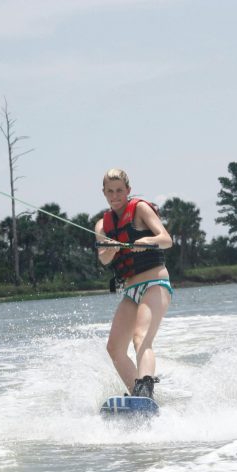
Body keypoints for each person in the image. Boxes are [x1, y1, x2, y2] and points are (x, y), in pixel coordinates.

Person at [95, 168, 173, 399]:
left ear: (128, 190)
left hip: (155, 283)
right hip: (131, 291)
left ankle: (146, 387)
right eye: (110, 191)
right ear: (104, 193)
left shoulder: (140, 209)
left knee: (141, 337)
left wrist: (148, 240)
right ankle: (139, 398)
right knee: (115, 348)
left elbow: (166, 239)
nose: (115, 195)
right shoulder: (102, 225)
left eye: (119, 190)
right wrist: (110, 248)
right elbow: (103, 258)